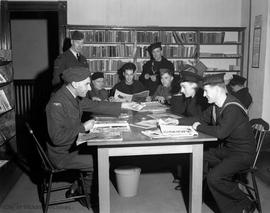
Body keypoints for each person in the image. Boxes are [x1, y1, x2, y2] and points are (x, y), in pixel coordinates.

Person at [46, 67, 139, 207]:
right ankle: (86, 194)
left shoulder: (71, 96)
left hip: (73, 144)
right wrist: (83, 127)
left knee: (103, 151)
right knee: (100, 162)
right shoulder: (56, 103)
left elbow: (96, 105)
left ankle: (78, 185)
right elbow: (57, 138)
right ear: (74, 83)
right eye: (86, 84)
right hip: (62, 154)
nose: (89, 88)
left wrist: (124, 104)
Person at [165, 73, 256, 213]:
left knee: (215, 178)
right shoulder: (215, 106)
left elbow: (221, 133)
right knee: (198, 156)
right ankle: (201, 195)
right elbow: (200, 117)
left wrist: (198, 127)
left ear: (218, 90)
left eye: (207, 91)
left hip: (243, 154)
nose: (204, 94)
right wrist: (177, 122)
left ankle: (242, 204)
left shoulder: (232, 107)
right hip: (229, 150)